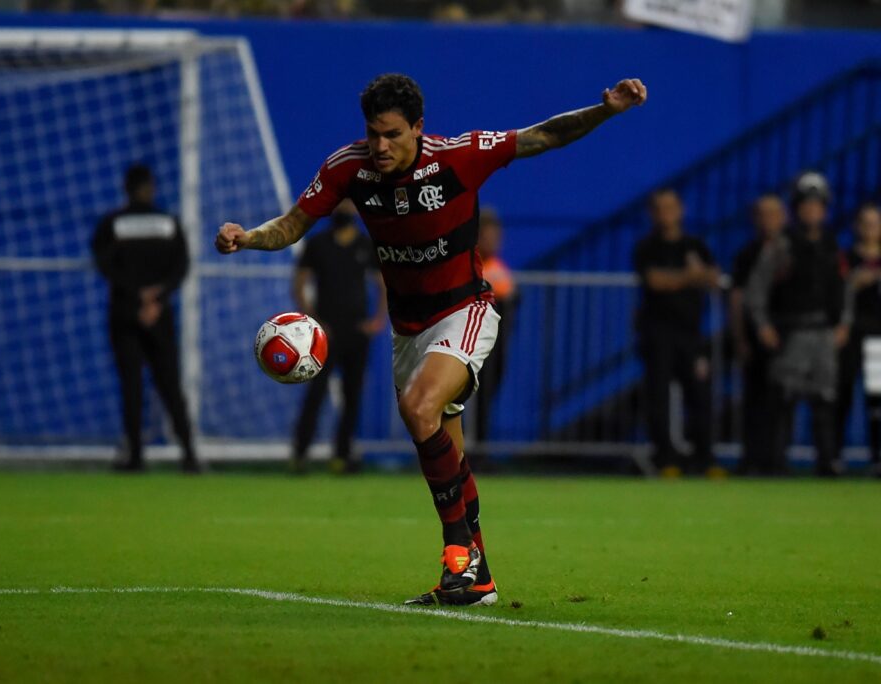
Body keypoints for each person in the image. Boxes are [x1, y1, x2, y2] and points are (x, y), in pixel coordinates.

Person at [216, 72, 646, 606]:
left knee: (420, 408)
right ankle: (477, 579)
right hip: (408, 330)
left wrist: (605, 109)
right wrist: (248, 237)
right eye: (373, 133)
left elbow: (544, 135)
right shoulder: (347, 168)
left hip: (463, 310)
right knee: (447, 456)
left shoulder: (459, 156)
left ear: (419, 128)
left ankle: (455, 551)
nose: (380, 146)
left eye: (393, 134)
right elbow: (294, 224)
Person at [91, 164, 200, 473]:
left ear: (126, 188)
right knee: (170, 385)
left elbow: (103, 263)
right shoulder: (168, 222)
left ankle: (136, 456)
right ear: (150, 187)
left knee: (132, 385)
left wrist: (136, 294)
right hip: (160, 314)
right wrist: (158, 296)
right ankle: (189, 455)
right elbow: (181, 266)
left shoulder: (113, 224)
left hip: (126, 313)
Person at [746, 171, 849, 477]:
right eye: (806, 205)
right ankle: (777, 463)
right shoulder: (781, 246)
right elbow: (757, 289)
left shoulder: (832, 246)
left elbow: (845, 290)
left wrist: (843, 324)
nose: (812, 211)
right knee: (783, 398)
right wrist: (763, 325)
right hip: (790, 332)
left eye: (817, 205)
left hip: (823, 333)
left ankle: (827, 462)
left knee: (825, 400)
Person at [291, 200, 388, 474]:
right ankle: (300, 454)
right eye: (340, 205)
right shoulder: (318, 244)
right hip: (325, 334)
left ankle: (341, 455)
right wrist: (314, 321)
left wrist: (377, 320)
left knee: (353, 395)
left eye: (350, 205)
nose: (345, 211)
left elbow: (382, 284)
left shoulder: (365, 245)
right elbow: (299, 283)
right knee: (316, 392)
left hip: (356, 331)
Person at [633, 188, 723, 478]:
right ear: (653, 213)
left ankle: (704, 458)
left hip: (691, 334)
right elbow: (655, 281)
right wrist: (689, 276)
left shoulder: (695, 245)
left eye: (671, 207)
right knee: (658, 396)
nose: (666, 213)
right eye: (660, 208)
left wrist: (691, 277)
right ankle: (665, 458)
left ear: (681, 210)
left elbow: (713, 277)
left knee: (700, 395)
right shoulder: (647, 247)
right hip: (657, 332)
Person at [730, 194, 788, 475]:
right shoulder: (746, 254)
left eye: (773, 213)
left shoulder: (793, 251)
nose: (768, 220)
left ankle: (777, 460)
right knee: (754, 399)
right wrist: (741, 338)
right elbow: (738, 298)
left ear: (784, 217)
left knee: (781, 400)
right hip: (756, 337)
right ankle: (752, 458)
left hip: (788, 336)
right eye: (762, 214)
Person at [836, 203, 881, 477]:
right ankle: (834, 454)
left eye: (875, 223)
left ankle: (878, 456)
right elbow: (837, 291)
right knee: (843, 393)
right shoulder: (846, 258)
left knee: (877, 399)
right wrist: (855, 281)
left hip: (879, 338)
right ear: (856, 227)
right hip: (851, 333)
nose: (870, 228)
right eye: (865, 223)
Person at [472, 208, 517, 453]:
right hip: (476, 342)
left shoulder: (498, 266)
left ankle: (480, 447)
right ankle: (471, 450)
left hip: (498, 340)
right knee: (473, 396)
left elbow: (512, 297)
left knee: (489, 393)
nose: (493, 240)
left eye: (495, 236)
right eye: (488, 235)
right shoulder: (472, 264)